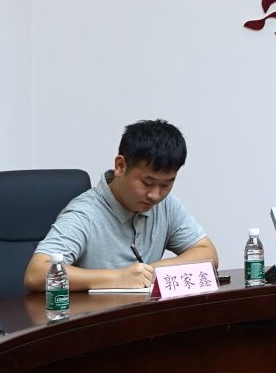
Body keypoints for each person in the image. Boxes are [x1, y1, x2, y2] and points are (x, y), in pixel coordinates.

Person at [23, 119, 217, 292]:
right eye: (147, 183)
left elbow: (207, 253)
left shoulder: (166, 205)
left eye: (166, 185)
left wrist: (153, 271)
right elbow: (37, 273)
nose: (155, 195)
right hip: (95, 318)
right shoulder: (85, 213)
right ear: (120, 166)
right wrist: (117, 278)